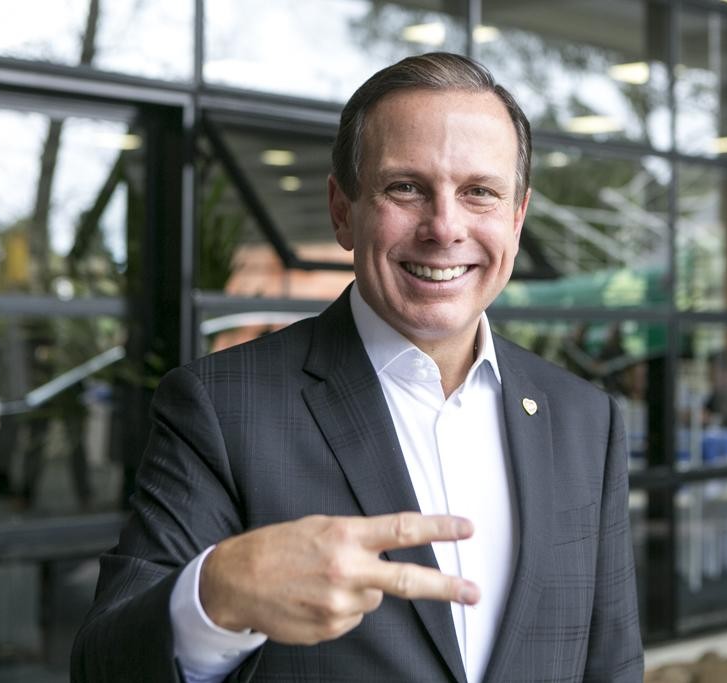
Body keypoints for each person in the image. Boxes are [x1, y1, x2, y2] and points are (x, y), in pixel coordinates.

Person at [72, 52, 643, 683]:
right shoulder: (220, 407)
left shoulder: (585, 419)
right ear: (342, 210)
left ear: (517, 216)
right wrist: (219, 594)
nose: (444, 227)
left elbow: (611, 664)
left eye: (479, 192)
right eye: (406, 188)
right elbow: (103, 666)